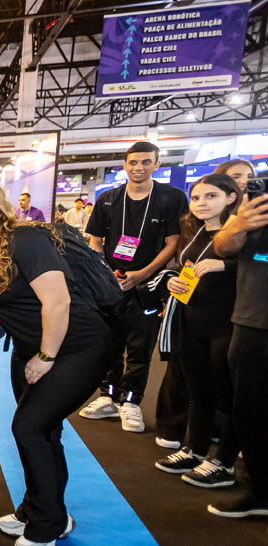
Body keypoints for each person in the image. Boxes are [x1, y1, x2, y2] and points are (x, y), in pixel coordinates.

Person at [0, 177, 108, 546]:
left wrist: (45, 356)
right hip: (30, 349)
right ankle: (41, 509)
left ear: (0, 204)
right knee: (45, 432)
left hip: (75, 347)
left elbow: (58, 303)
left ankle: (48, 524)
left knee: (30, 428)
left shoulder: (24, 238)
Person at [81, 141, 188, 432]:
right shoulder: (108, 199)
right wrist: (105, 273)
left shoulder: (171, 197)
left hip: (148, 284)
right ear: (125, 165)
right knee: (109, 343)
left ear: (156, 164)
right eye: (133, 162)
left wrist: (143, 273)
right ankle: (108, 397)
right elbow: (95, 240)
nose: (138, 167)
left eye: (145, 162)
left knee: (140, 346)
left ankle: (131, 401)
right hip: (111, 283)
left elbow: (174, 243)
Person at [154, 174, 241, 489]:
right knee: (198, 391)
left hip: (228, 325)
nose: (202, 203)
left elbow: (258, 267)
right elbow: (180, 267)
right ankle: (195, 449)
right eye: (197, 197)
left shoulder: (245, 233)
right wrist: (171, 280)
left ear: (231, 198)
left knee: (228, 397)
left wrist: (226, 266)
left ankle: (224, 462)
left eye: (211, 196)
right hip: (191, 323)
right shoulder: (196, 230)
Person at [209, 177, 268, 519]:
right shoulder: (251, 212)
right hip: (250, 321)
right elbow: (224, 246)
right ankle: (259, 490)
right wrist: (242, 222)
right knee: (250, 413)